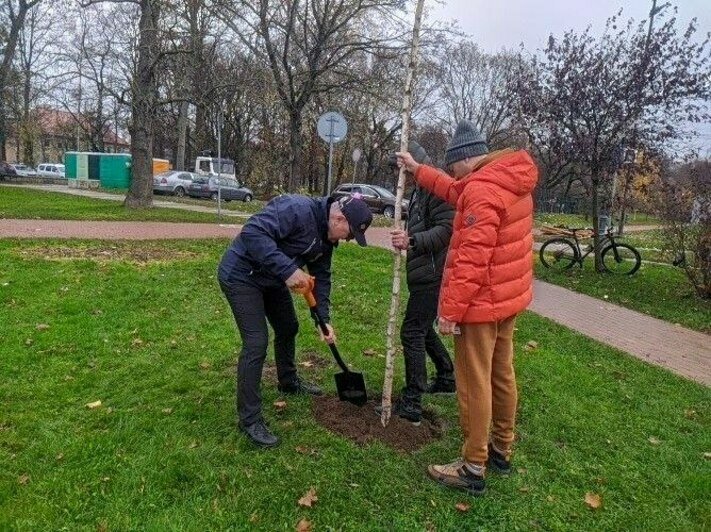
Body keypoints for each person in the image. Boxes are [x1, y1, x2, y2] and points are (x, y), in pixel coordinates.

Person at [397, 120, 538, 495]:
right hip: (508, 299)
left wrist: (451, 312)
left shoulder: (482, 191)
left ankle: (473, 466)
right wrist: (417, 169)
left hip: (482, 303)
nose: (452, 173)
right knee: (501, 374)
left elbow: (473, 258)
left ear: (464, 160)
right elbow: (454, 190)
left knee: (474, 383)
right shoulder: (507, 178)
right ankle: (501, 449)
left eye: (451, 165)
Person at [218, 194, 373, 447]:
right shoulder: (296, 210)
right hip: (241, 275)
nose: (348, 240)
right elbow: (252, 233)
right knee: (256, 343)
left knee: (289, 327)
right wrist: (288, 270)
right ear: (338, 218)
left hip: (272, 278)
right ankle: (249, 420)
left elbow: (321, 277)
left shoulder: (326, 237)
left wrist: (322, 320)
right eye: (349, 234)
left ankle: (288, 382)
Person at [384, 141, 455, 425]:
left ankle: (412, 401)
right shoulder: (419, 191)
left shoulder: (437, 188)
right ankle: (447, 376)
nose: (401, 177)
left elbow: (447, 230)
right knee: (423, 329)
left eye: (404, 171)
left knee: (412, 332)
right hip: (422, 272)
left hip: (433, 274)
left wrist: (412, 240)